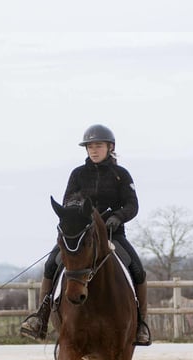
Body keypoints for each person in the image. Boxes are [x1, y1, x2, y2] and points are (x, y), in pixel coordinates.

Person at [20, 124, 151, 346]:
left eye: (98, 145)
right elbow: (68, 201)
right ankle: (40, 318)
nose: (93, 150)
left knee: (137, 270)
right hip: (81, 235)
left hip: (112, 234)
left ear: (110, 147)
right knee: (52, 264)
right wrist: (81, 213)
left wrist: (117, 217)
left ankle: (141, 325)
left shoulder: (121, 175)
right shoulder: (78, 174)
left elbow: (132, 204)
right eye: (90, 146)